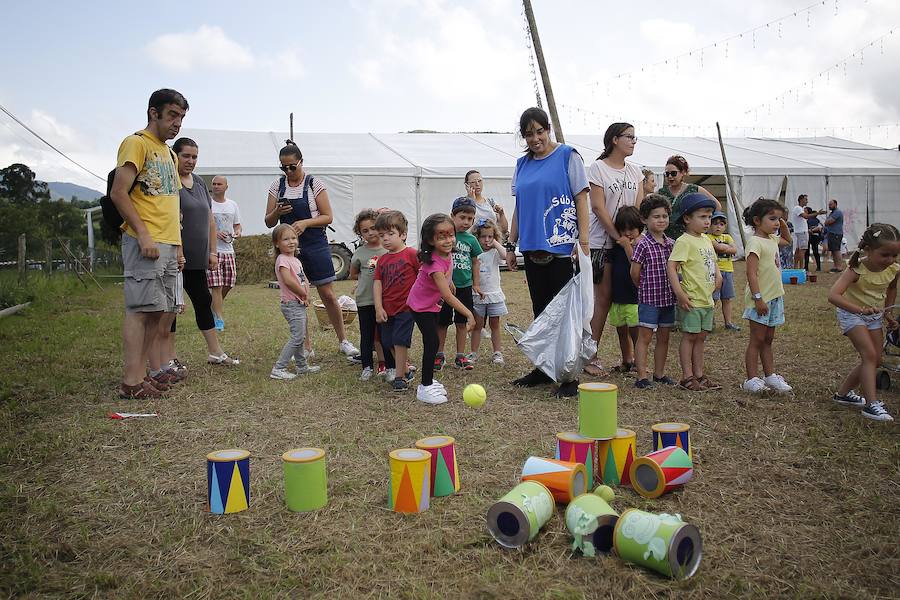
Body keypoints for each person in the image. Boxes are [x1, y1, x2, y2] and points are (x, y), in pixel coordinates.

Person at [505, 107, 591, 398]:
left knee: (564, 314)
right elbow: (520, 207)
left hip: (563, 247)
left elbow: (581, 199)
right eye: (529, 134)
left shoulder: (568, 156)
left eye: (539, 131)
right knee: (541, 312)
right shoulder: (522, 164)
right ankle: (543, 369)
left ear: (548, 129)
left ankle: (569, 378)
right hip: (532, 246)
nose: (535, 138)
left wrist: (584, 242)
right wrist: (510, 243)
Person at [110, 89, 188, 399]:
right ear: (153, 113)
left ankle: (142, 375)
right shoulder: (136, 143)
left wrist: (178, 245)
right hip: (146, 241)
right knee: (141, 310)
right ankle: (131, 381)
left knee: (158, 313)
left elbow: (171, 204)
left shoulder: (169, 153)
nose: (177, 123)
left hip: (168, 242)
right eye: (172, 115)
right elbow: (118, 193)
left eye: (181, 117)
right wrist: (142, 233)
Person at [264, 141, 360, 358]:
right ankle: (305, 346)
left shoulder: (314, 184)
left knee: (327, 293)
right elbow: (269, 222)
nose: (288, 171)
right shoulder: (276, 186)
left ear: (301, 162)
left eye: (292, 166)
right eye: (283, 167)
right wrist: (278, 212)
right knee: (299, 296)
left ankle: (343, 340)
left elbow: (328, 216)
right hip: (290, 250)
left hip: (315, 243)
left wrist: (306, 223)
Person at [158, 138, 238, 378]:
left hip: (198, 258)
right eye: (186, 156)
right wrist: (178, 250)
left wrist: (212, 252)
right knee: (171, 307)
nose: (191, 161)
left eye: (194, 157)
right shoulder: (169, 182)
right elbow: (171, 219)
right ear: (175, 156)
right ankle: (169, 356)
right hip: (175, 256)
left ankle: (215, 352)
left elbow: (210, 220)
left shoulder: (201, 183)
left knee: (203, 300)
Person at [584, 122, 645, 376]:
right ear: (614, 139)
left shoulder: (636, 172)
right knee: (603, 301)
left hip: (630, 244)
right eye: (629, 136)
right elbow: (598, 207)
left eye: (634, 137)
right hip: (603, 243)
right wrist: (618, 236)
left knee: (627, 299)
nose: (633, 141)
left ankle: (629, 356)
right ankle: (590, 356)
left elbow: (639, 208)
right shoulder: (598, 168)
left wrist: (633, 237)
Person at [827, 223, 900, 421]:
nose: (890, 260)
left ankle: (843, 395)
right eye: (885, 255)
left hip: (874, 316)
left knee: (875, 359)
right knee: (868, 355)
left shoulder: (894, 269)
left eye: (895, 255)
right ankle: (871, 404)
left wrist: (889, 314)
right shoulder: (856, 269)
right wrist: (860, 310)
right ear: (868, 249)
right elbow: (833, 295)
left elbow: (891, 289)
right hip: (852, 314)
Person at [408, 214, 477, 404]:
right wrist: (469, 313)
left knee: (432, 342)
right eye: (441, 237)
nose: (448, 240)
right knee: (431, 343)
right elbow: (446, 296)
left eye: (450, 235)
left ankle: (429, 381)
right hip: (421, 307)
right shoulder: (434, 265)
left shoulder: (447, 254)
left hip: (431, 305)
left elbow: (449, 271)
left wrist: (451, 282)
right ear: (430, 240)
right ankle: (425, 386)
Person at [667, 193, 722, 391]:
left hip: (706, 299)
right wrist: (679, 293)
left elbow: (712, 262)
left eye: (709, 217)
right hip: (692, 299)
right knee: (689, 337)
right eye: (702, 216)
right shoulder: (684, 241)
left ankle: (699, 374)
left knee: (701, 338)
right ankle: (687, 377)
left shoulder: (707, 240)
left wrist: (718, 275)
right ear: (687, 218)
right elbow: (671, 266)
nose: (707, 221)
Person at [741, 198, 793, 393]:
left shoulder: (772, 239)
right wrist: (758, 298)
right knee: (757, 339)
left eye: (778, 219)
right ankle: (751, 379)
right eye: (772, 218)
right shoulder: (755, 242)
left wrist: (784, 224)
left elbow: (787, 241)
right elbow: (751, 273)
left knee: (768, 339)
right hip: (760, 299)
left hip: (774, 297)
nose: (776, 223)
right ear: (757, 220)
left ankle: (770, 376)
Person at [631, 194, 677, 389]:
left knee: (664, 337)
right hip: (649, 299)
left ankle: (659, 374)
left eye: (664, 216)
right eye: (656, 216)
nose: (661, 220)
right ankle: (642, 376)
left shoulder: (672, 244)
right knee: (645, 337)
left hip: (668, 299)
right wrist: (643, 288)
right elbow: (634, 272)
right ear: (644, 219)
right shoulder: (642, 244)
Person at [373, 210, 419, 392]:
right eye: (381, 235)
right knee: (388, 342)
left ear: (403, 234)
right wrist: (378, 307)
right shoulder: (382, 260)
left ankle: (399, 378)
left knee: (400, 340)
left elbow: (426, 275)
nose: (385, 239)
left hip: (406, 308)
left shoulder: (412, 254)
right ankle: (406, 369)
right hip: (387, 309)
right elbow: (377, 283)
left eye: (390, 234)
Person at [436, 197, 482, 371]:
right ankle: (439, 355)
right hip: (445, 288)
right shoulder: (445, 237)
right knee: (442, 322)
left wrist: (476, 284)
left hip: (464, 287)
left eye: (470, 219)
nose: (466, 222)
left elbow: (476, 262)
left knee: (462, 322)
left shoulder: (471, 240)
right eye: (462, 217)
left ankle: (460, 356)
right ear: (452, 216)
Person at [270, 224, 321, 380]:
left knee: (300, 336)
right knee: (297, 337)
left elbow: (303, 278)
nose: (291, 241)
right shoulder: (282, 259)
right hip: (291, 304)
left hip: (299, 302)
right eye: (286, 239)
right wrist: (302, 293)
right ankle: (279, 368)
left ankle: (302, 366)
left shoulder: (295, 260)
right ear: (277, 244)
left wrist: (306, 295)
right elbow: (288, 281)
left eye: (293, 238)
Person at [350, 209, 388, 381]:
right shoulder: (359, 253)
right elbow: (353, 273)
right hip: (365, 300)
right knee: (367, 335)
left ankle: (386, 364)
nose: (370, 232)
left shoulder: (388, 250)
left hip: (385, 301)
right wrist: (361, 281)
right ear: (360, 233)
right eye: (365, 231)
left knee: (384, 335)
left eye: (373, 228)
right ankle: (366, 366)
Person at [607, 206, 643, 373]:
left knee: (636, 333)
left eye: (632, 229)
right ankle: (626, 359)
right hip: (618, 297)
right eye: (623, 229)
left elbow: (635, 264)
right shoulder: (615, 248)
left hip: (634, 298)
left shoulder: (640, 246)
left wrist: (628, 246)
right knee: (621, 331)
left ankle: (639, 361)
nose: (627, 233)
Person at [470, 218, 508, 364]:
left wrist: (496, 243)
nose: (487, 240)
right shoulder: (474, 253)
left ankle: (497, 353)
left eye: (490, 236)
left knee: (495, 325)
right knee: (477, 325)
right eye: (483, 237)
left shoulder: (495, 252)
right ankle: (473, 353)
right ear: (477, 238)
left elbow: (505, 255)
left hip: (494, 295)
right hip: (478, 295)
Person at [207, 176, 241, 331]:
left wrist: (237, 232)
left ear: (226, 186)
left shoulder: (232, 205)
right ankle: (219, 319)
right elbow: (202, 225)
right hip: (213, 251)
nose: (216, 186)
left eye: (219, 184)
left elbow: (237, 225)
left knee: (228, 283)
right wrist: (214, 233)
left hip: (229, 250)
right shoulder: (207, 203)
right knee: (216, 285)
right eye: (214, 184)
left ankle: (213, 307)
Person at [658, 155, 720, 240]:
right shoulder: (661, 192)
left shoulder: (694, 189)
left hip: (689, 238)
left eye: (673, 173)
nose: (669, 177)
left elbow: (717, 206)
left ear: (683, 172)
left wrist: (703, 221)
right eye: (667, 174)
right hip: (665, 238)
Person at [706, 211, 740, 331]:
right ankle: (709, 322)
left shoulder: (728, 237)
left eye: (721, 224)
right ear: (710, 225)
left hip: (728, 271)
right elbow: (719, 247)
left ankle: (728, 323)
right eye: (715, 223)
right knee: (713, 299)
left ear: (725, 226)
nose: (718, 226)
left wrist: (725, 248)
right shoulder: (707, 237)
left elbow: (734, 250)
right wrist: (727, 248)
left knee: (727, 298)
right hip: (714, 273)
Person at [464, 170, 508, 239]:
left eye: (480, 181)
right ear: (467, 185)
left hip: (492, 243)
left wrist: (502, 214)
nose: (477, 184)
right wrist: (471, 201)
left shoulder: (491, 202)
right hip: (473, 243)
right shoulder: (462, 202)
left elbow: (503, 230)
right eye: (473, 182)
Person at [789, 194, 824, 270]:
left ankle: (796, 267)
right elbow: (806, 216)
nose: (807, 201)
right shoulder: (798, 208)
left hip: (800, 232)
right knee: (802, 250)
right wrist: (818, 213)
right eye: (806, 199)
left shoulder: (798, 208)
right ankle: (801, 268)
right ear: (801, 200)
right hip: (802, 232)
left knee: (798, 250)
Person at [824, 199, 845, 272]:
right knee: (833, 250)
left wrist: (827, 221)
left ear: (835, 204)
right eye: (829, 205)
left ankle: (839, 267)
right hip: (832, 233)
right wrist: (827, 222)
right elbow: (826, 222)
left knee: (836, 250)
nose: (829, 206)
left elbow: (829, 221)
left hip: (836, 234)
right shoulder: (832, 213)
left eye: (831, 204)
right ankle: (835, 266)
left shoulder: (837, 212)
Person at [804, 206, 824, 272]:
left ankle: (806, 267)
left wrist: (811, 230)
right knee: (815, 252)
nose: (804, 212)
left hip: (810, 236)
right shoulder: (817, 220)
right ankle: (818, 267)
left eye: (805, 211)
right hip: (815, 236)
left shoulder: (808, 220)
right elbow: (821, 227)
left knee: (807, 252)